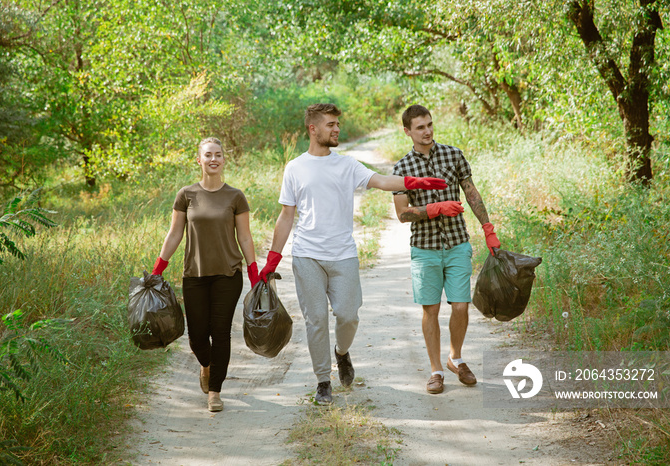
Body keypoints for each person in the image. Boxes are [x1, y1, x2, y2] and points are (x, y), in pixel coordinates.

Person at [258, 103, 448, 404]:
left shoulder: (347, 165)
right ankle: (323, 381)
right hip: (307, 255)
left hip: (343, 254)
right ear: (313, 129)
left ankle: (342, 353)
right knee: (316, 319)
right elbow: (286, 215)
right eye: (331, 124)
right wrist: (273, 258)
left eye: (337, 124)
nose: (337, 129)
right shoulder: (294, 168)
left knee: (348, 316)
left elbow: (383, 181)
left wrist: (415, 182)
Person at [392, 104, 501, 394]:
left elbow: (471, 192)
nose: (427, 131)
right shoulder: (402, 168)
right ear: (407, 132)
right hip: (424, 248)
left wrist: (487, 228)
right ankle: (436, 370)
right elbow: (402, 214)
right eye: (419, 127)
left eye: (429, 124)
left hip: (457, 243)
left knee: (461, 306)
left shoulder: (453, 155)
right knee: (431, 310)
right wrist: (433, 209)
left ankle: (456, 357)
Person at [151, 137, 259, 412]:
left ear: (224, 160)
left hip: (227, 274)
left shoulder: (235, 196)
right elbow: (175, 233)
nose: (213, 159)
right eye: (208, 155)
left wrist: (254, 272)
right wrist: (158, 269)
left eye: (218, 155)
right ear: (198, 160)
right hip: (194, 275)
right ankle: (207, 366)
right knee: (198, 336)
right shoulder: (186, 194)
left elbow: (245, 237)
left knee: (220, 333)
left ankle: (215, 391)